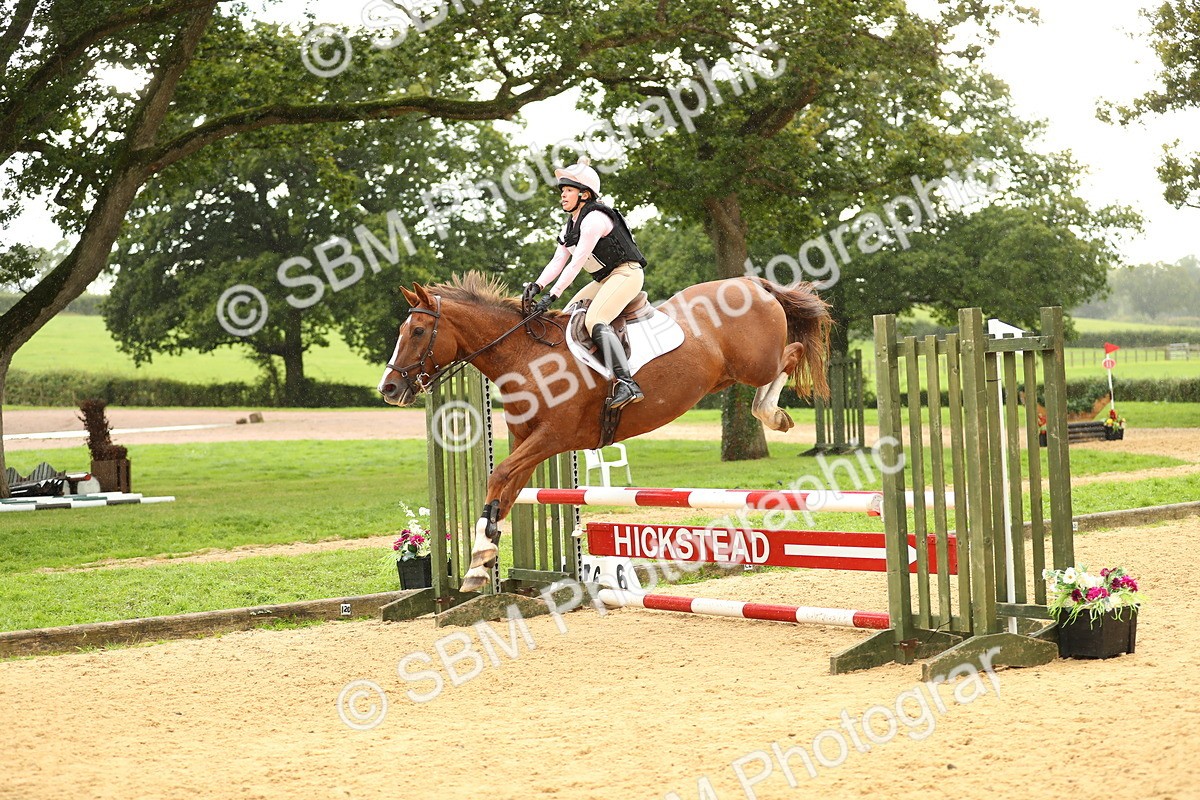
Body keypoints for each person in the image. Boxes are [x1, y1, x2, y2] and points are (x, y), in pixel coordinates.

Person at [523, 156, 648, 409]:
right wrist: (537, 286)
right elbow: (558, 260)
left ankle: (627, 383)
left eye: (569, 190)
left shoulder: (593, 220)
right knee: (569, 316)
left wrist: (554, 294)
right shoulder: (570, 225)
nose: (563, 195)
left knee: (594, 320)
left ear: (585, 194)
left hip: (627, 273)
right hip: (605, 279)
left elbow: (576, 263)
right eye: (562, 190)